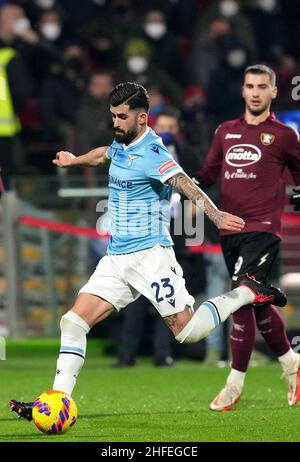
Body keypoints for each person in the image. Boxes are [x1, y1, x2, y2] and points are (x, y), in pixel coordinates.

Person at [9, 81, 287, 421]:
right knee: (73, 322)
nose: (115, 123)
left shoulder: (154, 153)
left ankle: (245, 293)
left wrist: (215, 215)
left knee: (188, 333)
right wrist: (73, 160)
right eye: (113, 116)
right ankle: (56, 403)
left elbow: (184, 183)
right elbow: (103, 154)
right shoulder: (121, 143)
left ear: (142, 118)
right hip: (116, 259)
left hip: (151, 257)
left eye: (122, 117)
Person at [195, 64, 300, 411]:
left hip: (263, 228)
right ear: (242, 91)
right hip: (230, 230)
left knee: (241, 295)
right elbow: (208, 172)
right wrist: (186, 182)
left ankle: (234, 382)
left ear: (272, 92)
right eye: (250, 85)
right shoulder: (225, 132)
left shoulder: (284, 135)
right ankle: (292, 365)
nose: (255, 92)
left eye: (262, 86)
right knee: (258, 303)